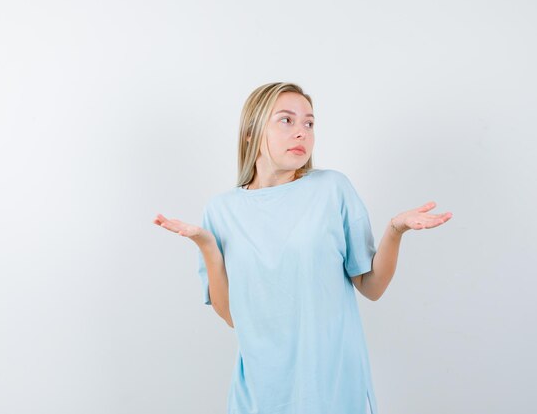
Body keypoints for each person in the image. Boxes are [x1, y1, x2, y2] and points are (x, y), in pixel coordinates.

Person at [153, 82, 452, 414]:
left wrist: (395, 231)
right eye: (286, 120)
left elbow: (372, 287)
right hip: (261, 392)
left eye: (309, 123)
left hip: (332, 389)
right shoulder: (221, 210)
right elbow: (234, 317)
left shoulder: (332, 189)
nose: (302, 133)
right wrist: (208, 246)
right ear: (251, 132)